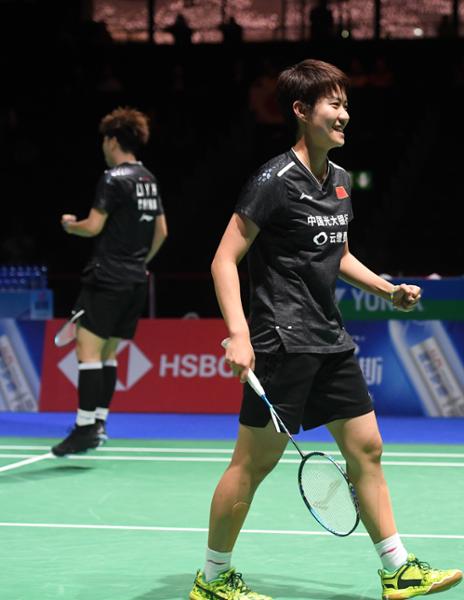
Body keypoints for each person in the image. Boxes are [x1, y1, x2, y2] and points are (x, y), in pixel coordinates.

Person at [189, 59, 463, 600]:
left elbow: (337, 255)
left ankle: (398, 570)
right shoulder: (272, 181)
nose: (344, 115)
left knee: (368, 449)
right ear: (301, 110)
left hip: (329, 337)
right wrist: (239, 334)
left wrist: (386, 289)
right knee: (253, 464)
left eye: (346, 105)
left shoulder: (338, 181)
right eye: (334, 104)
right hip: (281, 340)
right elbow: (224, 259)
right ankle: (213, 578)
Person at [52, 106, 168, 457]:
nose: (103, 145)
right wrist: (139, 263)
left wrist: (70, 225)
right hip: (135, 280)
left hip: (106, 278)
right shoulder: (148, 178)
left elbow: (93, 226)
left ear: (113, 140)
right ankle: (99, 422)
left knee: (87, 351)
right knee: (108, 353)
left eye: (105, 139)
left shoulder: (113, 178)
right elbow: (162, 231)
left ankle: (84, 428)